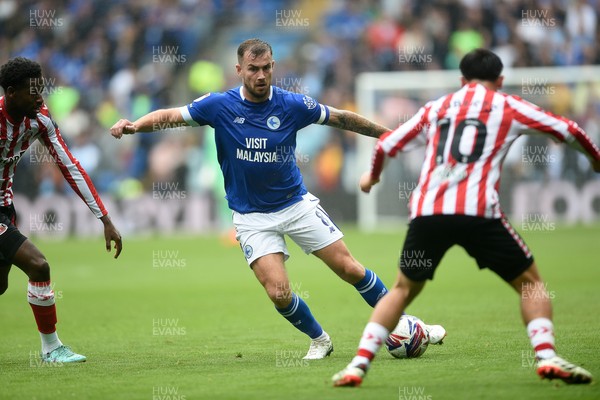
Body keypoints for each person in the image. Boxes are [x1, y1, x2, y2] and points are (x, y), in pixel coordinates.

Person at [110, 38, 445, 359]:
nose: (261, 75)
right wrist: (135, 126)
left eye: (267, 68)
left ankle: (405, 323)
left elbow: (342, 118)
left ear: (274, 66)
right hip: (251, 216)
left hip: (295, 205)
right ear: (238, 69)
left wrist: (390, 136)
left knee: (349, 268)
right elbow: (170, 116)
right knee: (278, 293)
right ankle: (320, 339)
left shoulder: (292, 104)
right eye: (253, 68)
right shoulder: (219, 106)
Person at [332, 48, 600, 386]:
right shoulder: (508, 105)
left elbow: (387, 145)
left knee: (400, 290)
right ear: (500, 80)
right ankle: (546, 355)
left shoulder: (437, 107)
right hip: (478, 214)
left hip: (429, 214)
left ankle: (358, 365)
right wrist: (595, 160)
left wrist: (372, 177)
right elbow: (569, 129)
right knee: (530, 284)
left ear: (461, 80)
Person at [0, 57, 123, 363]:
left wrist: (104, 218)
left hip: (5, 206)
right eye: (33, 90)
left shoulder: (39, 118)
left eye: (41, 88)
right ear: (11, 93)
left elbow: (70, 166)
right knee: (38, 265)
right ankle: (51, 348)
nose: (40, 96)